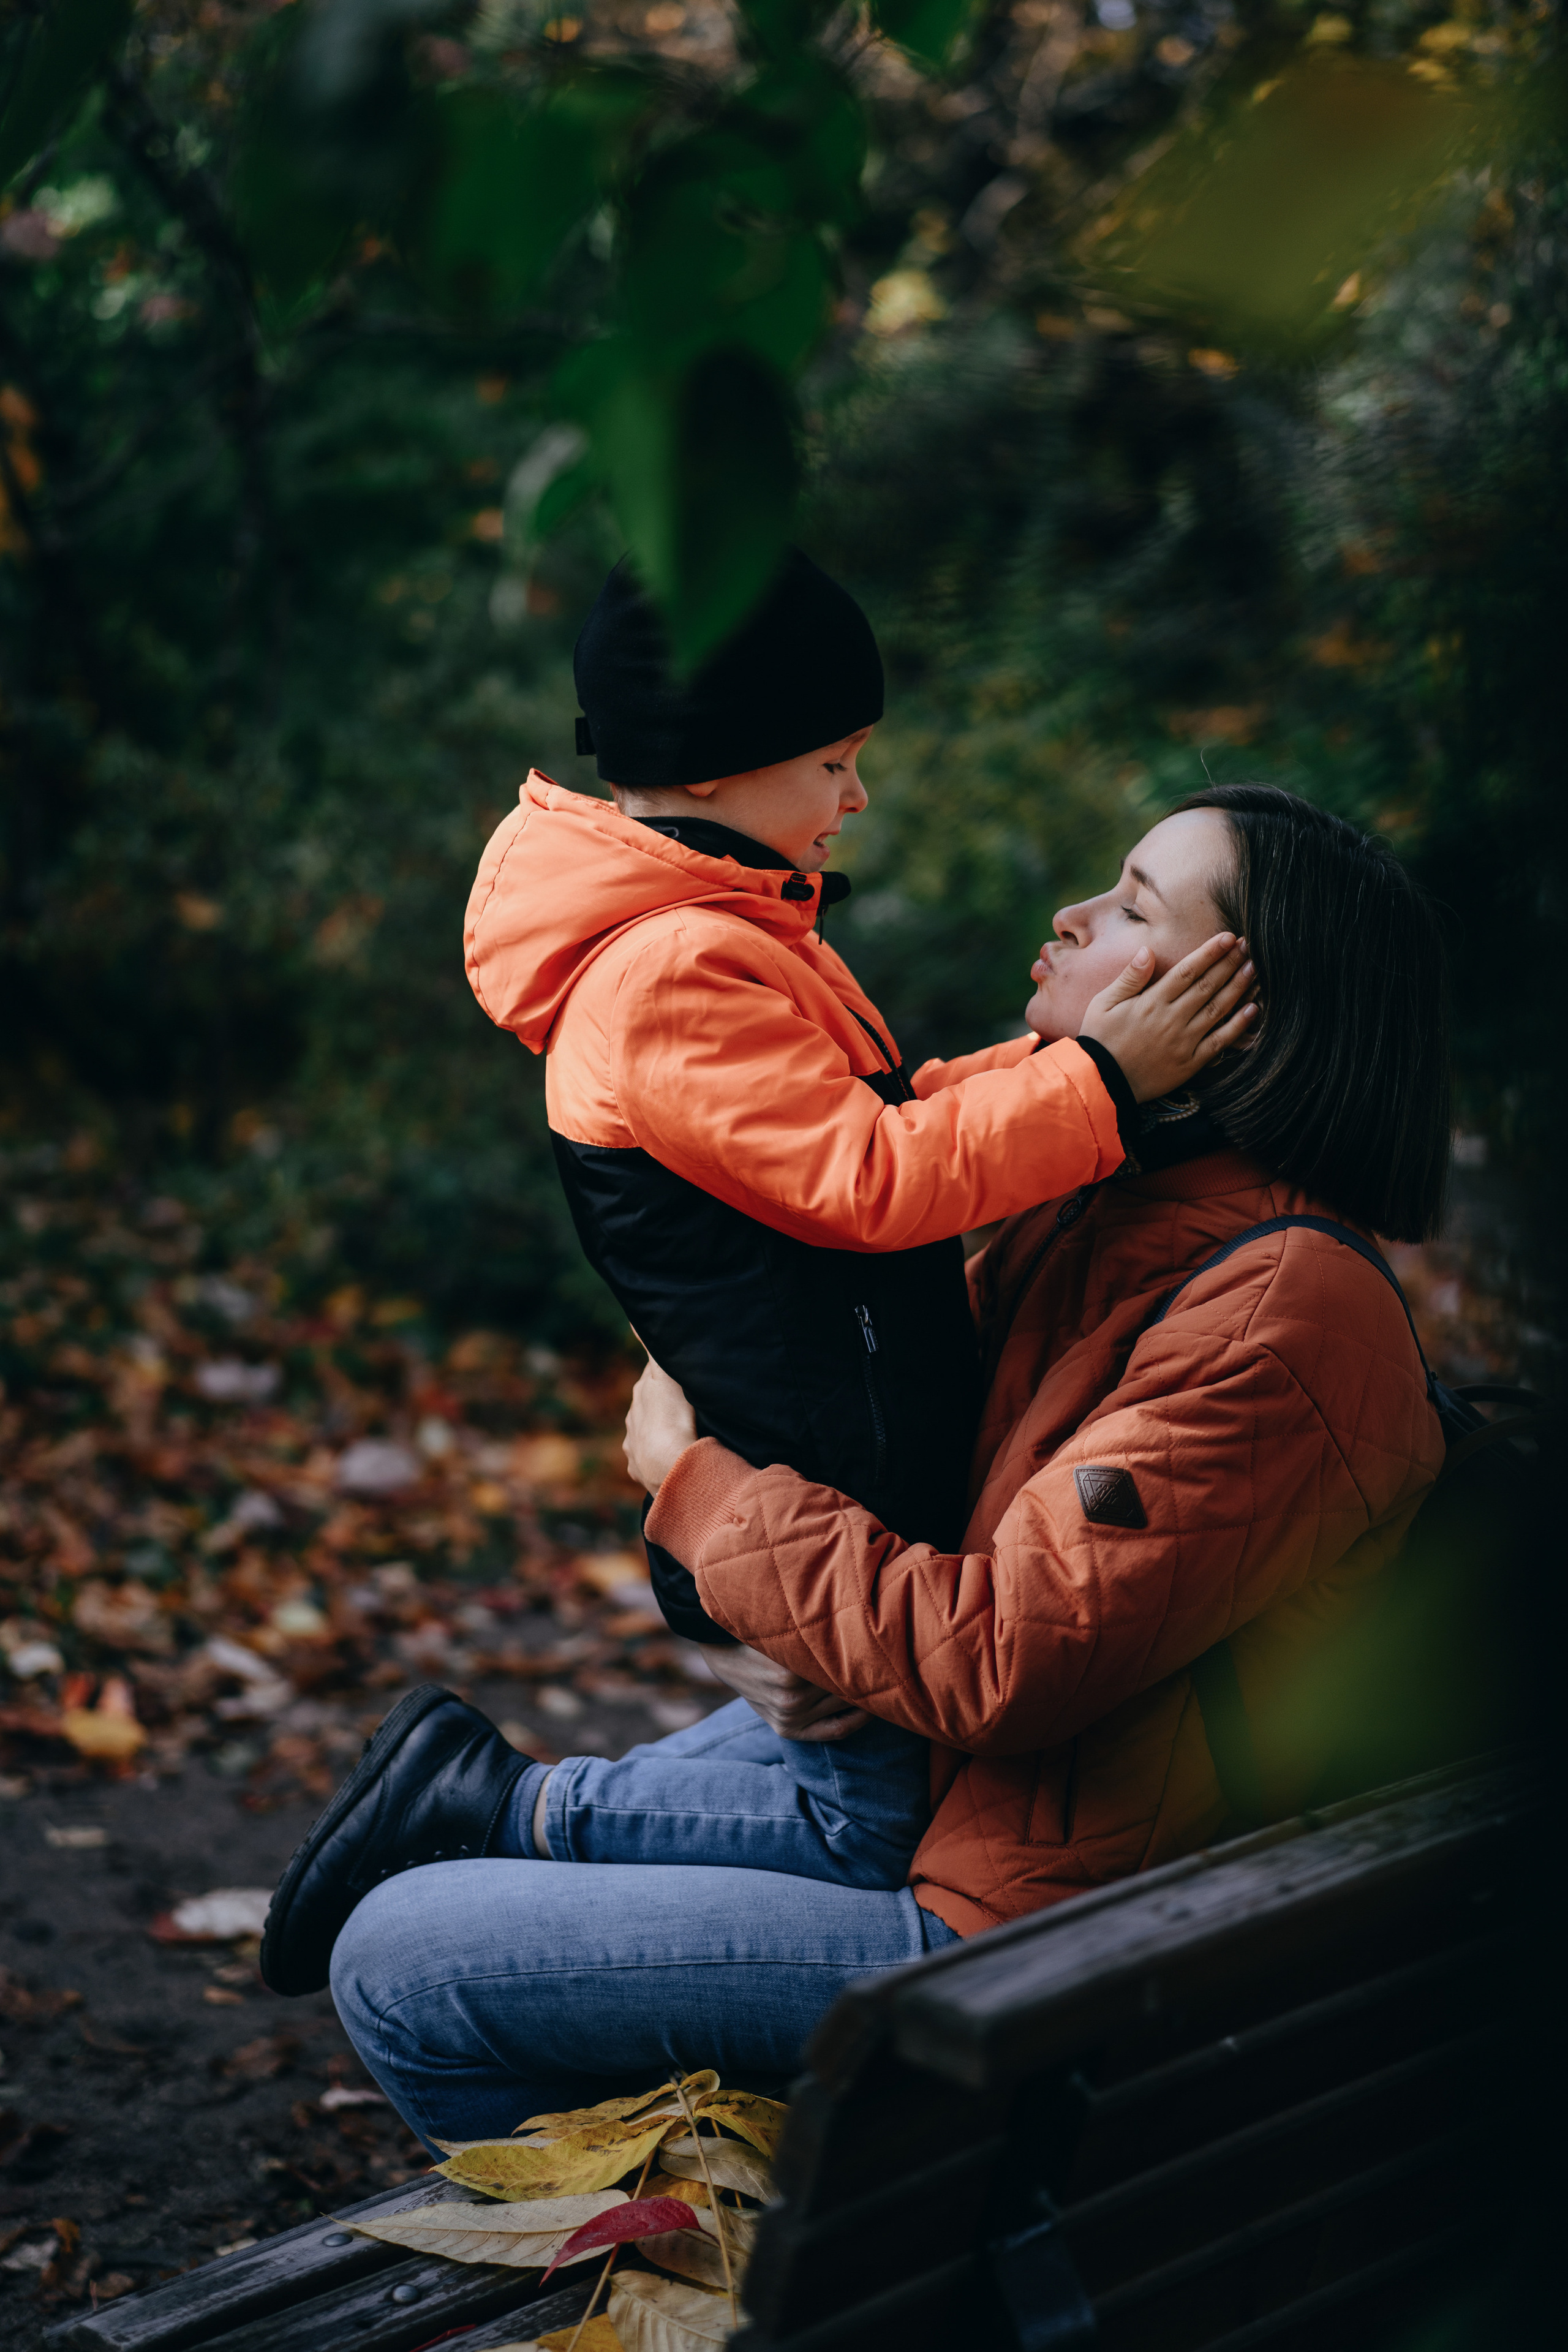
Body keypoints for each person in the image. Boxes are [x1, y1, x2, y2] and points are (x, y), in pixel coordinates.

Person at [323, 783, 1449, 2145]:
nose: (1072, 918)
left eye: (1133, 908)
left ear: (1233, 1011)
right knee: (654, 1789)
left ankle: (684, 2245)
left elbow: (994, 1659)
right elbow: (899, 1448)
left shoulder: (1280, 1319)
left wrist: (702, 1494)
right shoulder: (1123, 1215)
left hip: (1035, 1945)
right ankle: (512, 1819)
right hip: (983, 1820)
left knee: (399, 1959)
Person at [259, 554, 1253, 1999]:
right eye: (834, 762)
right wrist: (1098, 1078)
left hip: (833, 1426)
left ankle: (509, 1827)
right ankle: (484, 1809)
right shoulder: (669, 970)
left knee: (869, 1797)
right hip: (812, 1453)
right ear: (723, 770)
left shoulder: (723, 928)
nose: (854, 797)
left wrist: (1074, 1078)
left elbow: (894, 1116)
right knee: (862, 1825)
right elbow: (878, 1182)